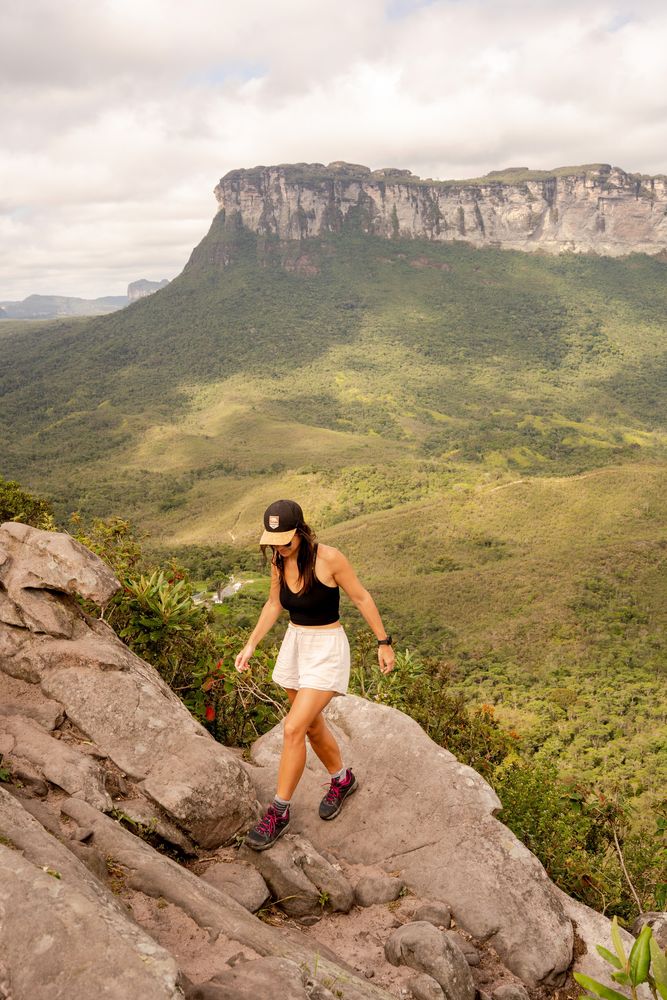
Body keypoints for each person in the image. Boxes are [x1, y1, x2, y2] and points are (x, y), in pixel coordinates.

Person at [235, 499, 395, 850]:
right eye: (274, 542)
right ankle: (342, 779)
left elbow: (362, 598)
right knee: (310, 725)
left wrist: (383, 642)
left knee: (292, 727)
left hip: (327, 649)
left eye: (286, 541)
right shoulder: (279, 560)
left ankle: (279, 812)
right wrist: (251, 644)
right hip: (296, 645)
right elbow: (274, 603)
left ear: (302, 533)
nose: (279, 547)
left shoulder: (330, 559)